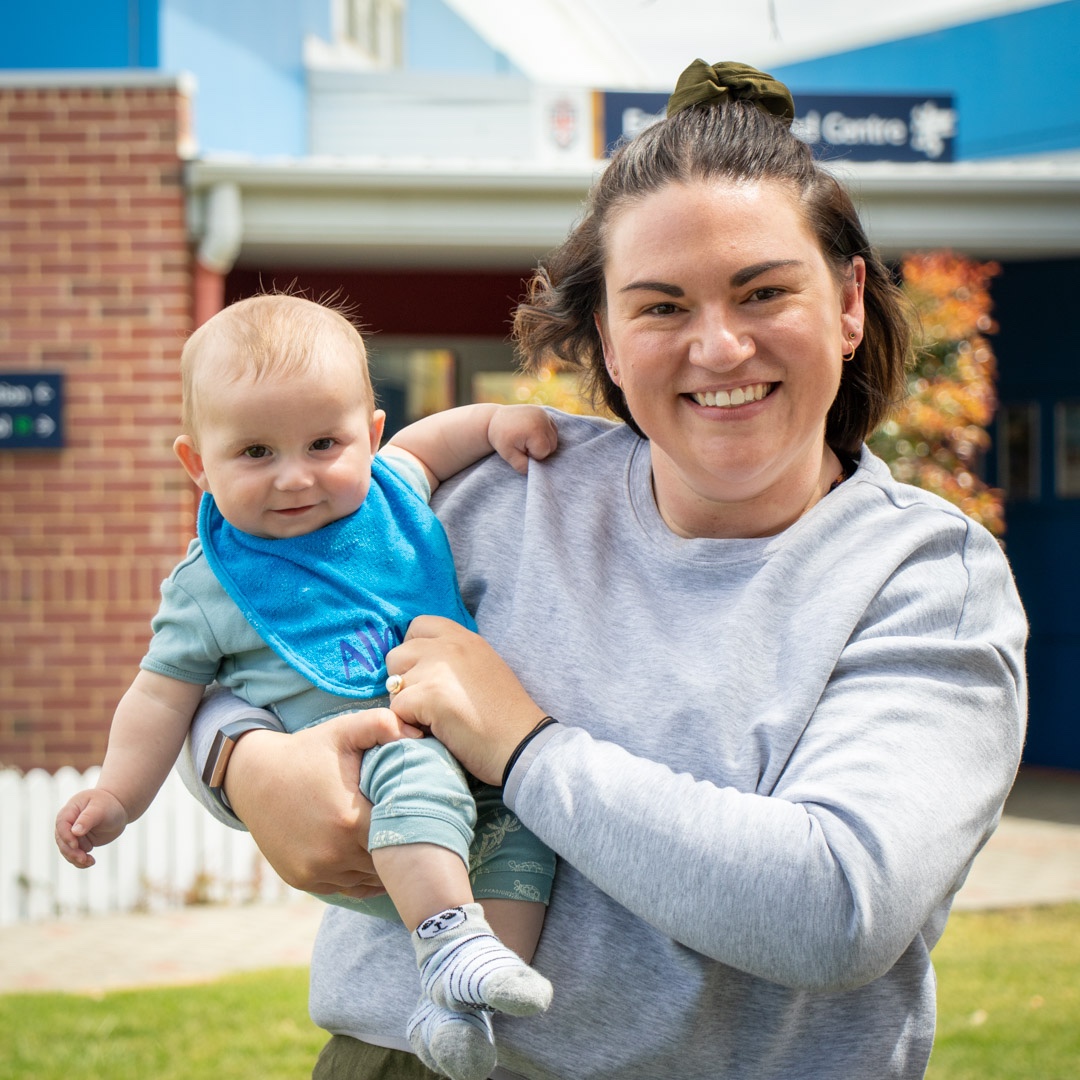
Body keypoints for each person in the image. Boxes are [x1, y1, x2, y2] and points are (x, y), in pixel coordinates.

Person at [180, 61, 1028, 1080]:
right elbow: (212, 630)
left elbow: (840, 909)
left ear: (848, 303)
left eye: (764, 292)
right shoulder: (495, 490)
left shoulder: (925, 576)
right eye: (661, 307)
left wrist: (522, 745)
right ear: (608, 343)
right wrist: (239, 763)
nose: (720, 347)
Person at [54, 294, 559, 1080]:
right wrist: (119, 795)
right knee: (412, 764)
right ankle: (447, 943)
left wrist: (495, 421)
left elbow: (432, 442)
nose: (295, 477)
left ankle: (458, 1001)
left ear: (371, 437)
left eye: (325, 443)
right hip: (367, 786)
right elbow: (159, 696)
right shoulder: (211, 586)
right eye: (256, 452)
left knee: (527, 849)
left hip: (479, 779)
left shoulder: (393, 496)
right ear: (197, 464)